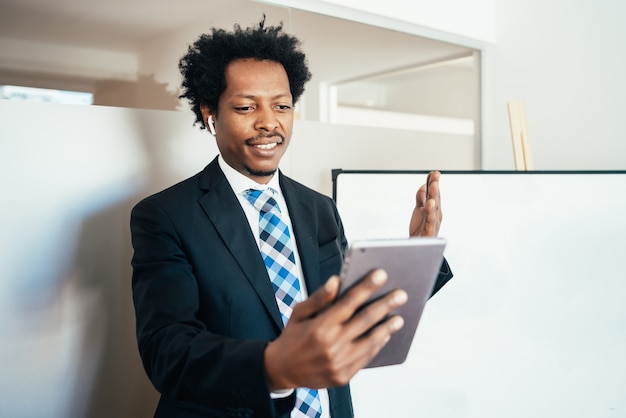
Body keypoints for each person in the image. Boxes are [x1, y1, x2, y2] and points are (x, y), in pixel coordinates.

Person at [130, 17, 453, 418]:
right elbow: (168, 350)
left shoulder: (319, 209)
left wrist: (418, 254)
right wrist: (275, 366)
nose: (269, 122)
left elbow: (354, 311)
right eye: (247, 107)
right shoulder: (165, 215)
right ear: (211, 114)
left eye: (282, 106)